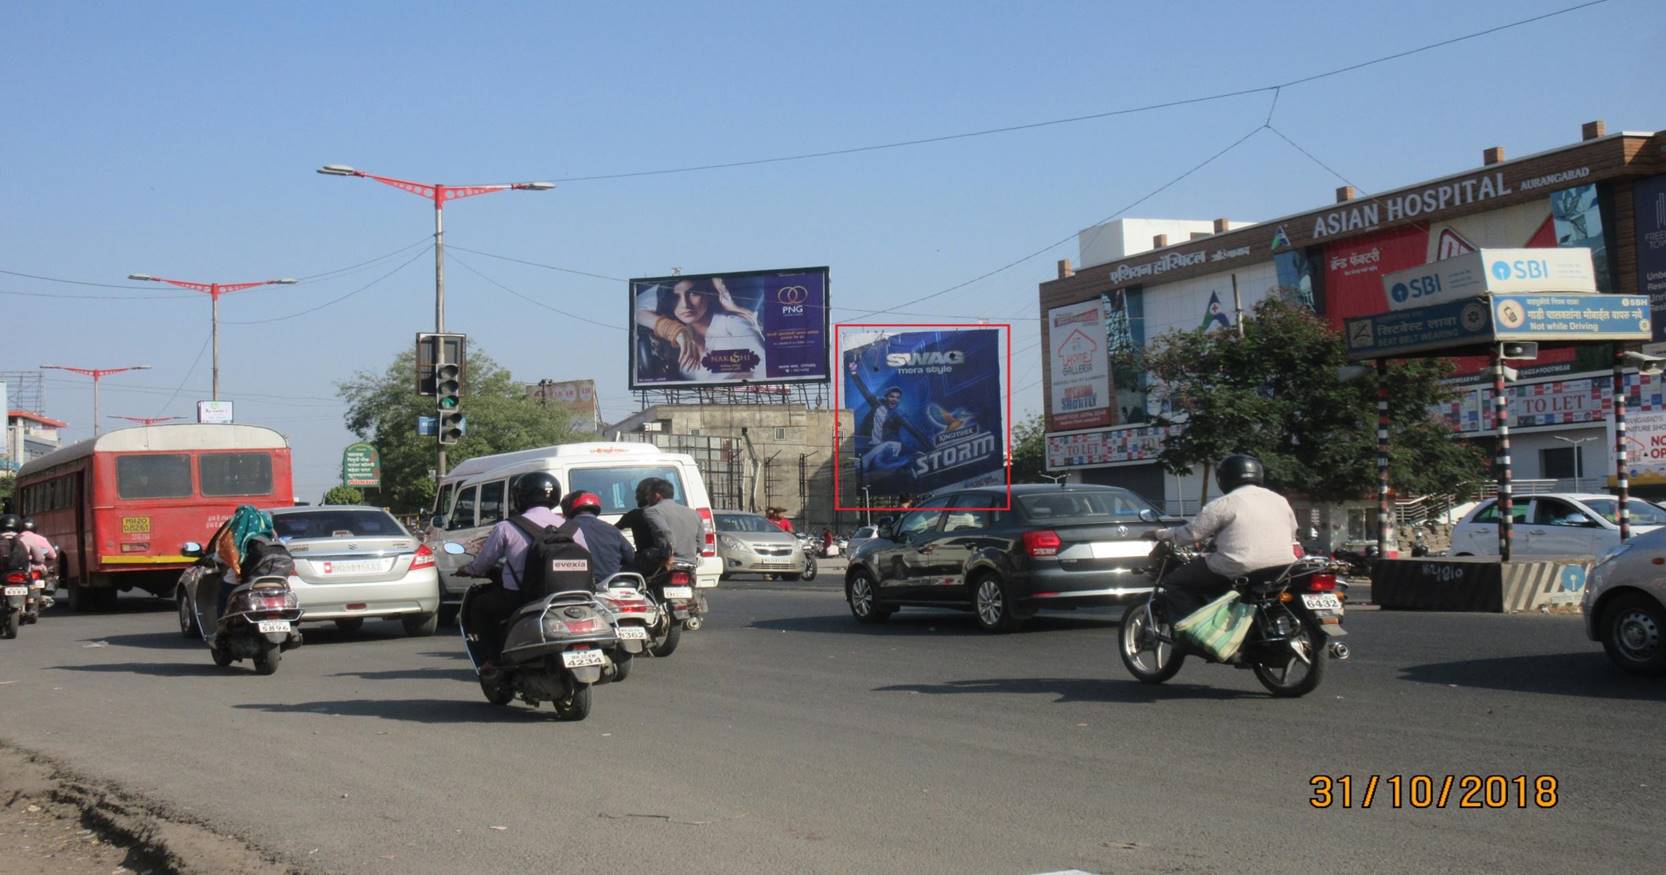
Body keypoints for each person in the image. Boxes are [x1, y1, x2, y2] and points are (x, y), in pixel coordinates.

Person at [1144, 454, 1299, 617]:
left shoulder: (1225, 503)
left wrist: (1159, 534)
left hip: (1239, 566)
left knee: (1174, 582)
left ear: (1224, 478)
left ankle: (1191, 634)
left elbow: (1190, 534)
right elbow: (1293, 531)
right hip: (1282, 567)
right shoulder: (1279, 500)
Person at [461, 472, 586, 670]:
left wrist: (468, 570)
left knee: (479, 607)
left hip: (522, 597)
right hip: (569, 596)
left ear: (520, 496)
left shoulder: (507, 527)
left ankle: (492, 660)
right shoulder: (573, 528)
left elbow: (484, 562)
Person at [633, 276, 766, 382]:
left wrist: (719, 286)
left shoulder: (732, 324)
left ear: (708, 295)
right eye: (676, 297)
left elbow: (765, 366)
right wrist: (676, 331)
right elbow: (636, 308)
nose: (685, 304)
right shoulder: (675, 342)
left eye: (693, 293)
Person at [560, 490, 635, 588]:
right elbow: (630, 557)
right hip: (611, 588)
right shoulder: (612, 530)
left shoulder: (565, 529)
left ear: (569, 508)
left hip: (579, 588)